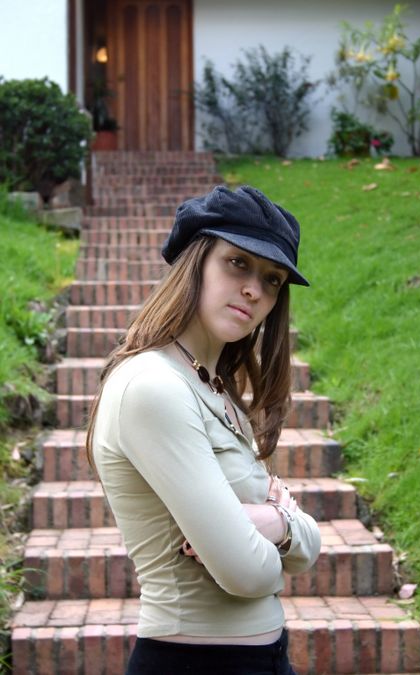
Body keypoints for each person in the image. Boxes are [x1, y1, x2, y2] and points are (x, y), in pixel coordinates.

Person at [86, 185, 321, 675]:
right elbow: (248, 572)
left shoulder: (214, 389)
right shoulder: (153, 386)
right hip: (195, 662)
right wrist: (283, 519)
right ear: (197, 262)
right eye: (238, 263)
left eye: (273, 280)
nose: (256, 290)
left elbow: (309, 550)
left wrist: (273, 523)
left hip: (263, 657)